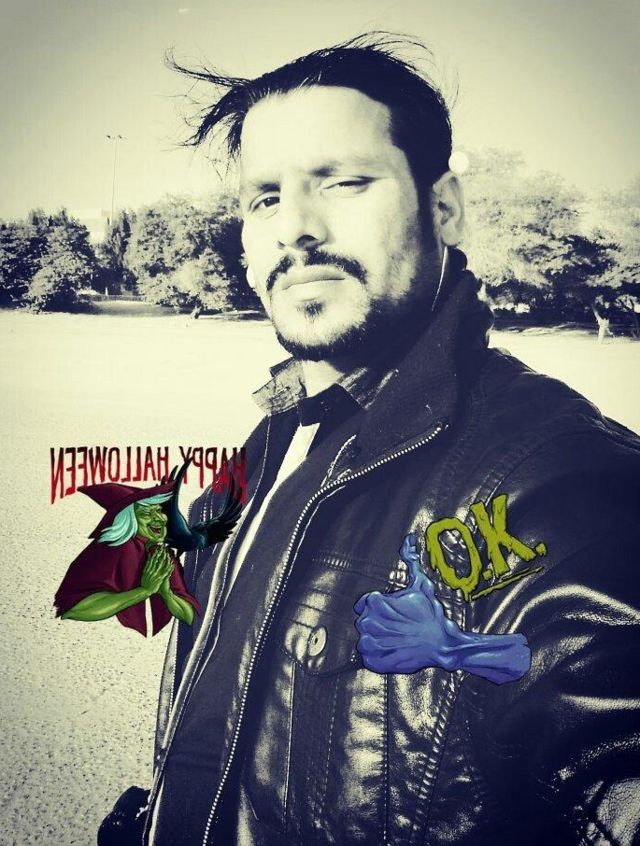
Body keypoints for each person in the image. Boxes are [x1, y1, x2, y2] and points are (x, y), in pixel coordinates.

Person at [100, 34, 640, 845]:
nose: (296, 228)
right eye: (265, 199)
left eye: (345, 182)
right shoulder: (269, 443)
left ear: (444, 207)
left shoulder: (564, 481)